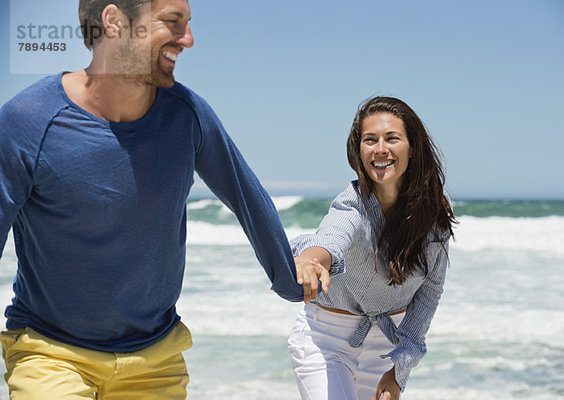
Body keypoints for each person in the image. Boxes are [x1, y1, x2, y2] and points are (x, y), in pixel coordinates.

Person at [0, 0, 303, 398]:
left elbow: (244, 194)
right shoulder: (28, 121)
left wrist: (291, 278)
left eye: (188, 24)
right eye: (173, 23)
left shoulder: (186, 115)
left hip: (155, 359)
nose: (188, 40)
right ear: (114, 22)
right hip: (50, 354)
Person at [288, 96, 456, 400]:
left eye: (392, 138)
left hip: (384, 351)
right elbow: (330, 239)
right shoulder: (352, 203)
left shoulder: (433, 214)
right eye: (370, 140)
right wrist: (312, 262)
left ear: (412, 147)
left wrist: (400, 368)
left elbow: (430, 292)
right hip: (325, 340)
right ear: (358, 149)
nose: (380, 149)